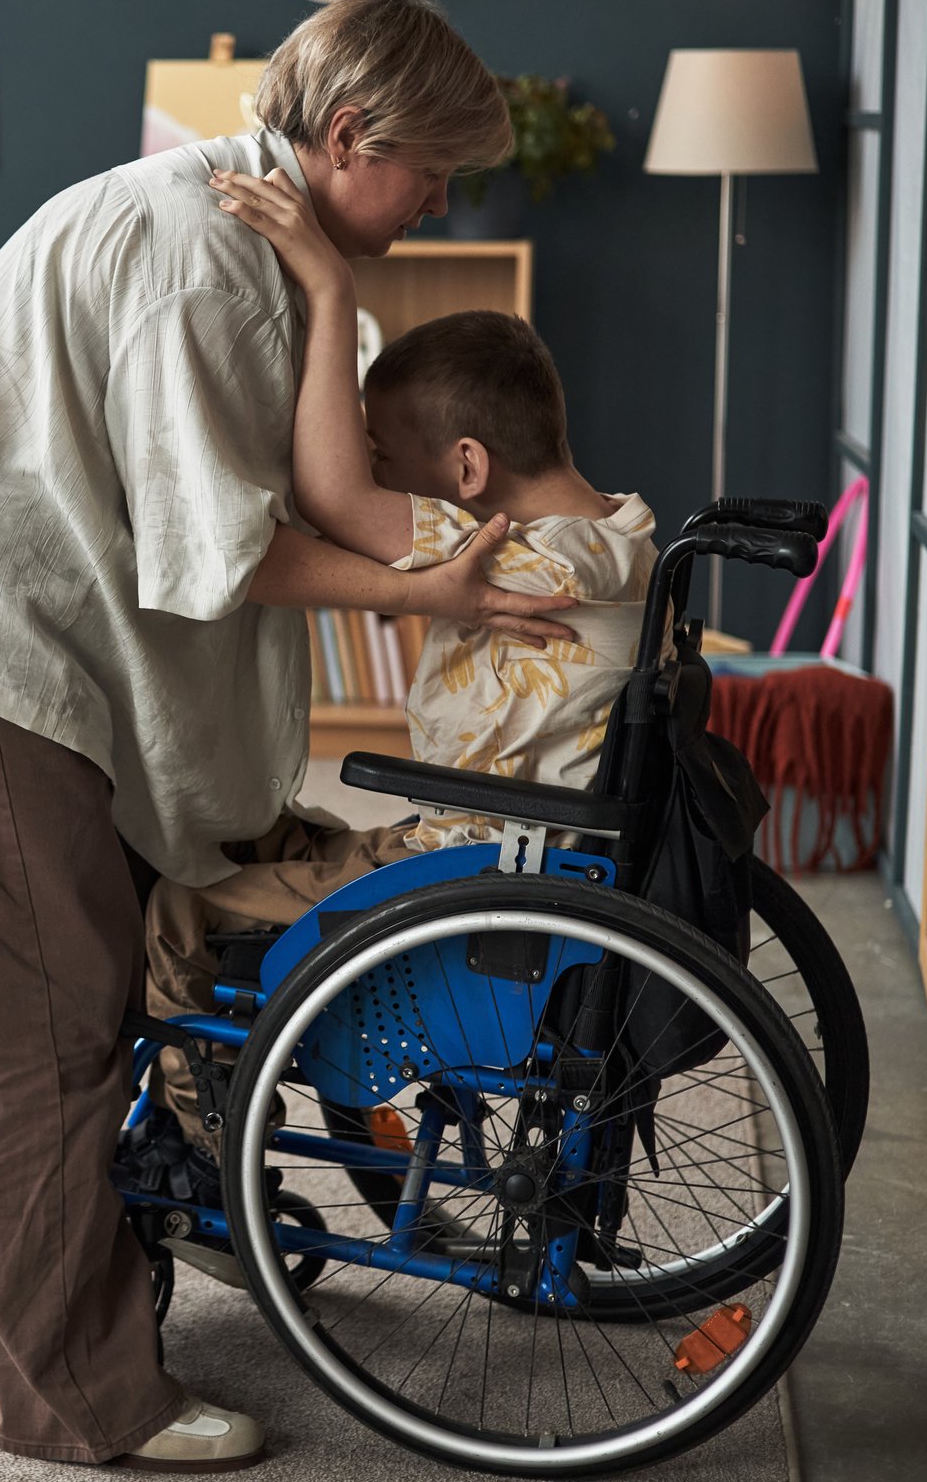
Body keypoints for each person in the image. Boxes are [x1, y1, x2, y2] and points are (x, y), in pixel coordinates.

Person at [0, 0, 578, 1472]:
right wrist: (422, 592)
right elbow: (212, 550)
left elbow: (299, 484)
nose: (439, 203)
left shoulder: (261, 242)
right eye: (432, 174)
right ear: (348, 136)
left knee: (56, 971)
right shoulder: (206, 267)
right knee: (41, 1029)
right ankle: (80, 1401)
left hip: (28, 631)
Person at [146, 161, 658, 1153]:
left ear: (467, 467)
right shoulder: (622, 540)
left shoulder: (517, 553)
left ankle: (198, 1145)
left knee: (179, 903)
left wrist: (331, 286)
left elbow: (333, 501)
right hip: (505, 851)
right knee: (247, 830)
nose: (374, 468)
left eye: (386, 452)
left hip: (473, 876)